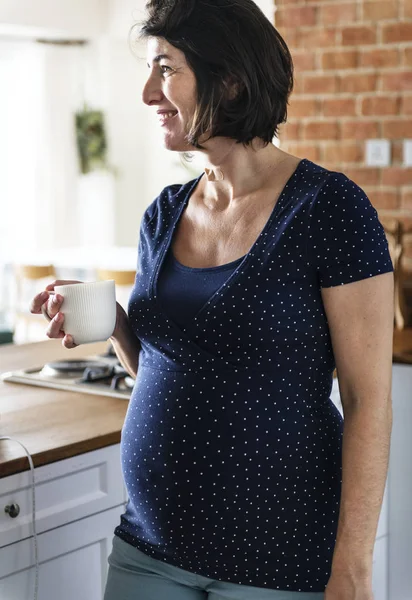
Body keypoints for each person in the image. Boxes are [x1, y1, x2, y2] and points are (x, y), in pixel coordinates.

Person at [30, 1, 394, 598]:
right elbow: (169, 370)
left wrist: (351, 570)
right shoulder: (164, 214)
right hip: (148, 547)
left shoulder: (330, 210)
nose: (148, 93)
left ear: (229, 78)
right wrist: (118, 326)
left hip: (279, 563)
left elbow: (367, 401)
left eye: (166, 69)